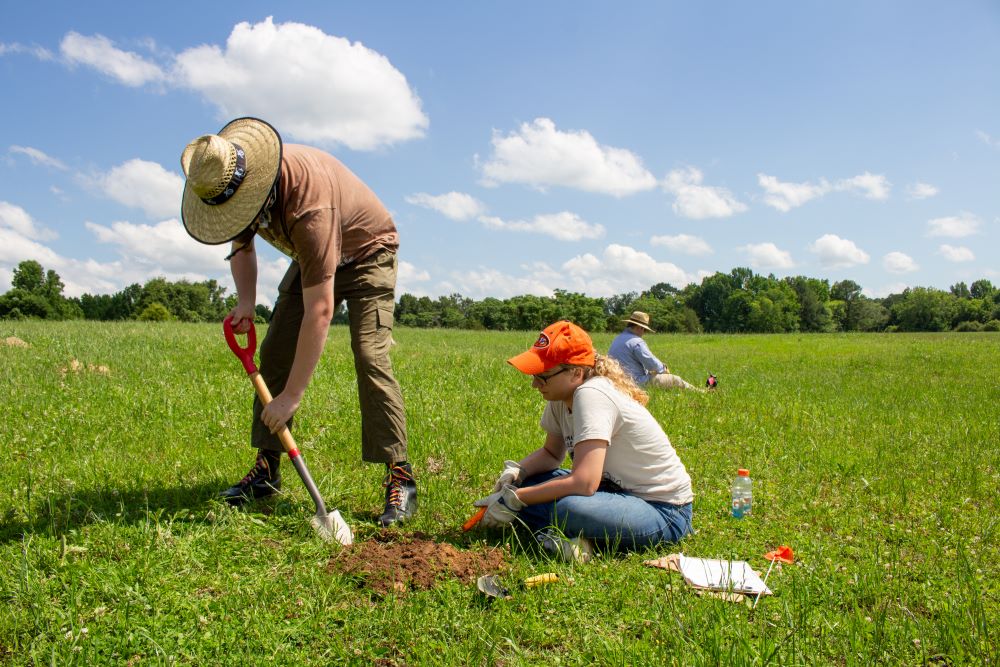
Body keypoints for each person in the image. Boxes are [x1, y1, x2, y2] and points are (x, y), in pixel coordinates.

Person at [179, 117, 416, 526]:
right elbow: (243, 245)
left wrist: (291, 396)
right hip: (317, 258)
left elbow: (320, 311)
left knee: (370, 355)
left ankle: (400, 476)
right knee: (272, 353)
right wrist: (246, 301)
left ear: (258, 186)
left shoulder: (309, 206)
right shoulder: (236, 188)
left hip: (367, 252)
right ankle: (267, 473)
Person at [472, 320, 694, 561]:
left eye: (543, 376)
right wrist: (518, 474)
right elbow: (550, 453)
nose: (535, 384)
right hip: (611, 492)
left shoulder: (592, 394)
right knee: (530, 484)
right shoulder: (559, 398)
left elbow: (584, 482)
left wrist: (517, 499)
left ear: (576, 372)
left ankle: (576, 539)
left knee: (566, 509)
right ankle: (575, 536)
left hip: (662, 510)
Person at [608, 311, 702, 391]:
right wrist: (663, 368)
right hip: (635, 382)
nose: (643, 333)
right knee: (675, 380)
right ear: (640, 327)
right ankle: (700, 391)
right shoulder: (637, 342)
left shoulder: (617, 339)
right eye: (644, 330)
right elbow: (653, 364)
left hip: (617, 381)